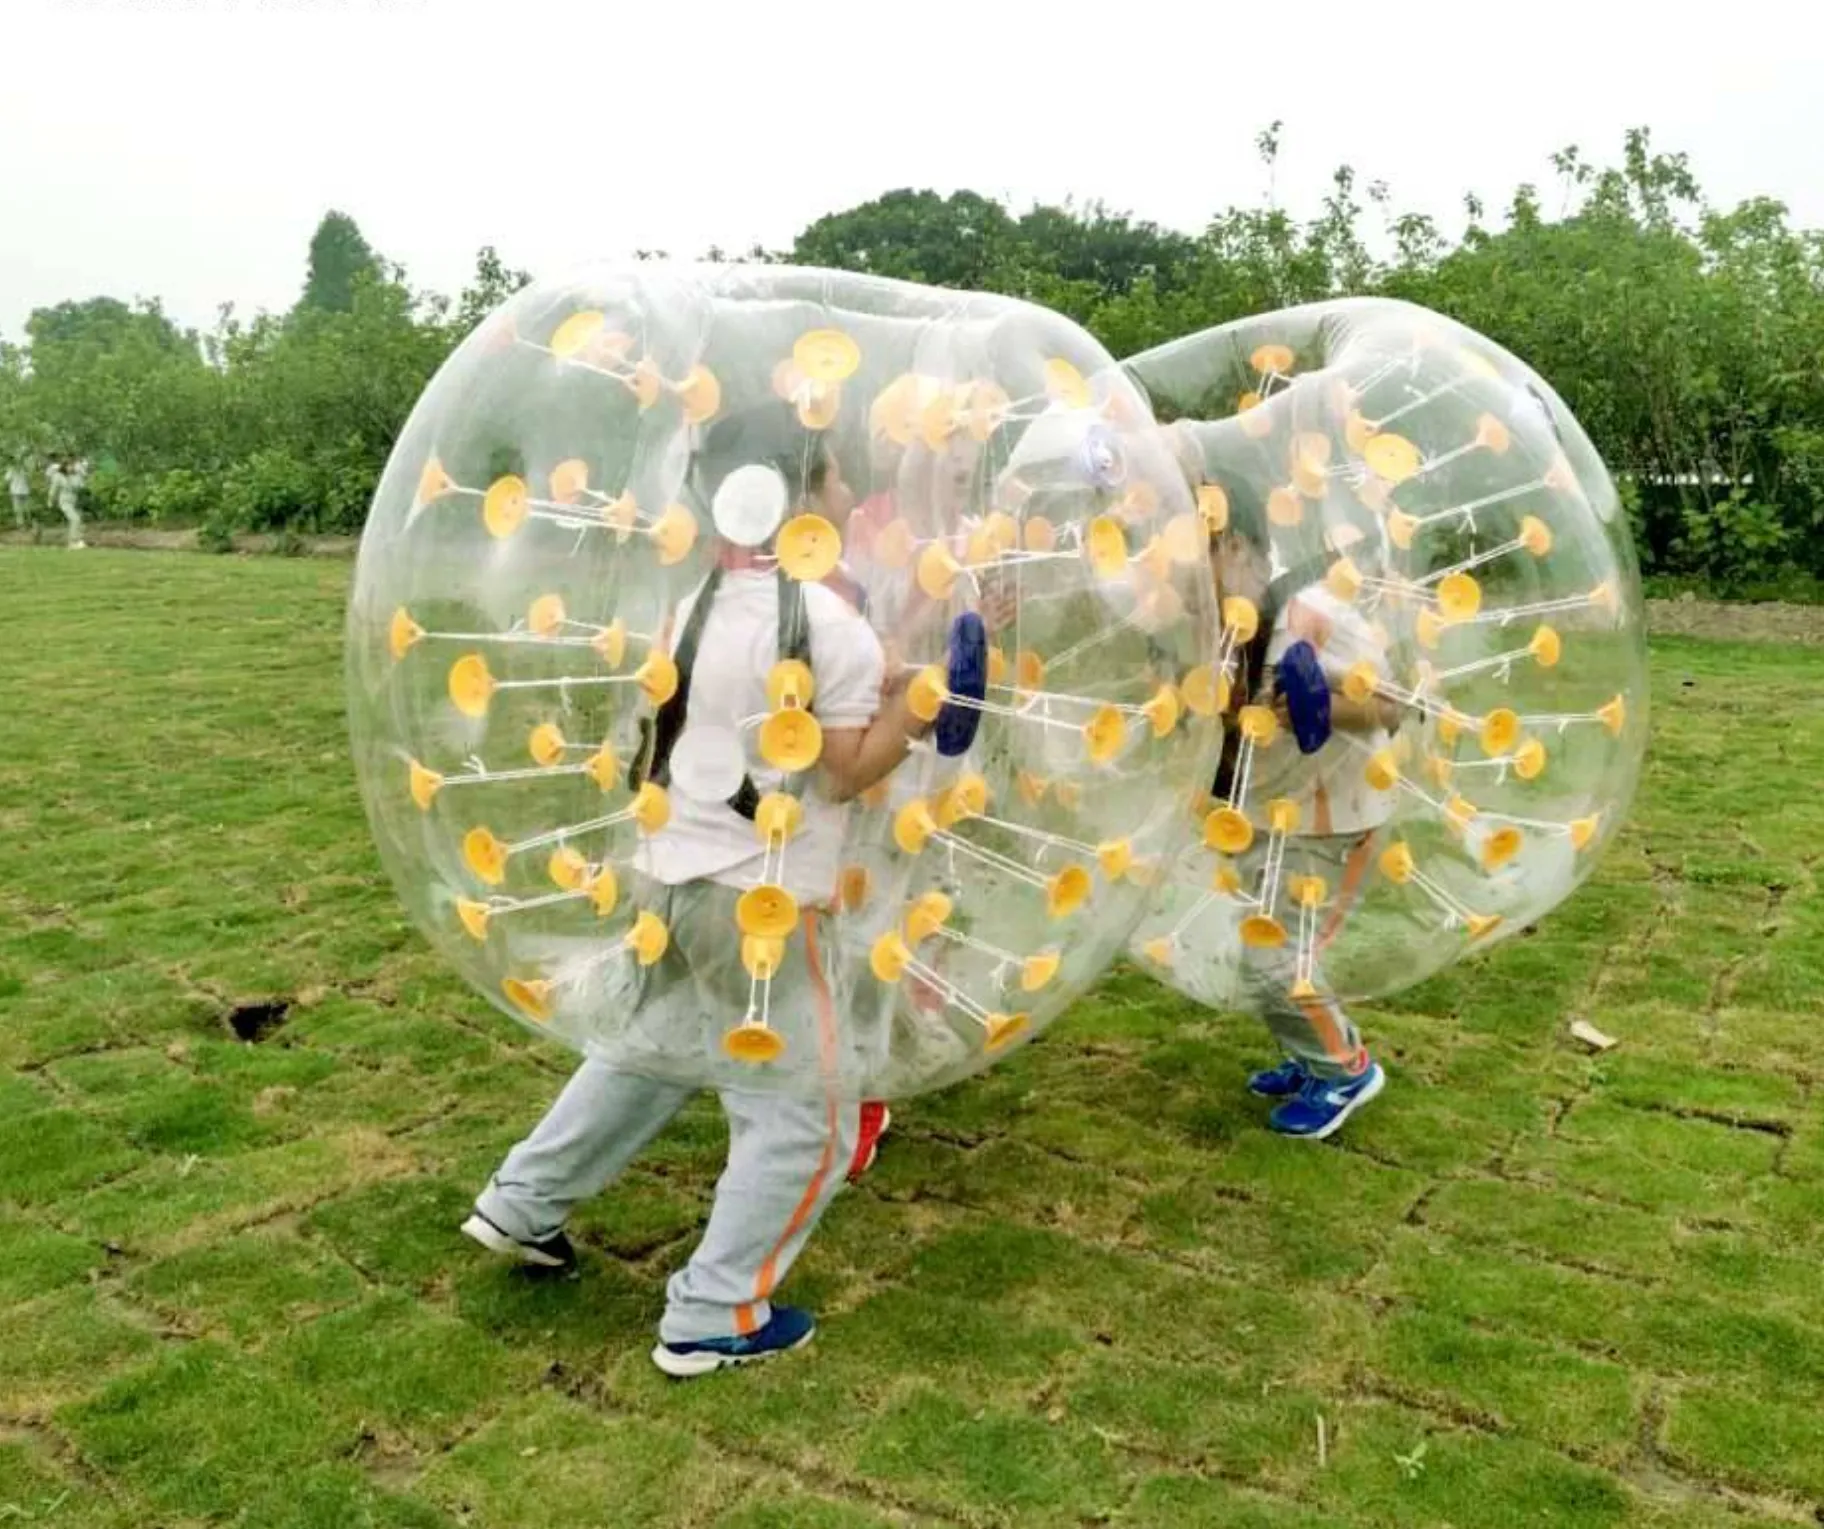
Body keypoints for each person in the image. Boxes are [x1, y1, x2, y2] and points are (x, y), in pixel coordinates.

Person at [463, 403, 934, 1376]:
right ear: (799, 494)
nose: (849, 495)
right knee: (810, 1117)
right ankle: (715, 1311)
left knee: (649, 1047)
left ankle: (523, 1201)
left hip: (670, 876)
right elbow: (844, 771)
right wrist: (916, 711)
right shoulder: (830, 624)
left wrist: (888, 683)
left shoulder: (699, 604)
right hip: (761, 903)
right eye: (838, 479)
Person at [1211, 514, 1397, 1140]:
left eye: (1199, 551)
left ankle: (1345, 1071)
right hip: (1280, 810)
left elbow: (1395, 705)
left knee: (1275, 960)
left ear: (1236, 545)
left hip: (1331, 818)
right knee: (1267, 947)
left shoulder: (1311, 610)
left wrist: (1315, 708)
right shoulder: (1237, 620)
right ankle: (1308, 1057)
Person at [45, 455, 86, 549]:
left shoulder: (76, 475)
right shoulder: (58, 476)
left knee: (79, 520)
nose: (71, 468)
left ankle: (78, 540)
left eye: (72, 465)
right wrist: (50, 501)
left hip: (74, 500)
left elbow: (81, 486)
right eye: (69, 466)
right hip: (64, 501)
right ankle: (72, 541)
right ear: (64, 466)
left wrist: (81, 475)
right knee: (75, 519)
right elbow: (53, 490)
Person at [6, 459, 30, 530]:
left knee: (18, 510)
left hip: (15, 492)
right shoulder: (24, 470)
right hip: (25, 491)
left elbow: (7, 480)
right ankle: (29, 522)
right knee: (26, 508)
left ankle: (21, 525)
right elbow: (28, 480)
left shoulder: (11, 470)